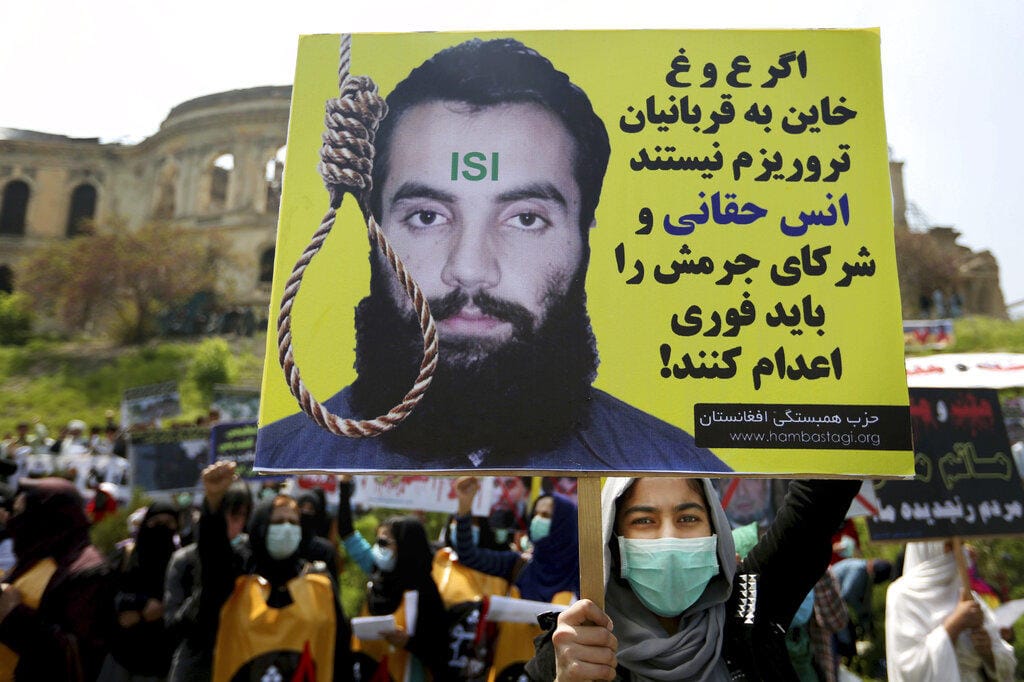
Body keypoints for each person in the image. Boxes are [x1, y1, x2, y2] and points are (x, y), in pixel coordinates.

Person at [257, 37, 729, 474]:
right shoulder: (282, 459)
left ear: (585, 234)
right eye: (427, 216)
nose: (469, 269)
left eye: (525, 219)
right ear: (375, 229)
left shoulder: (678, 464)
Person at [525, 477, 859, 681]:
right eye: (644, 521)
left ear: (716, 533)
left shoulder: (751, 604)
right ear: (615, 541)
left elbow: (820, 500)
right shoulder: (573, 646)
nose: (669, 539)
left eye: (688, 518)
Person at [192, 461, 351, 681]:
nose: (286, 528)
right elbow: (213, 558)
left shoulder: (319, 584)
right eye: (278, 521)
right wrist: (213, 503)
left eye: (293, 522)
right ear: (260, 527)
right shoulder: (237, 577)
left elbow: (340, 651)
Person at [0, 477, 115, 680]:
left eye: (20, 514)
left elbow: (77, 655)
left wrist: (14, 616)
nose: (12, 522)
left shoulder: (87, 570)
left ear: (45, 517)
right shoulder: (37, 557)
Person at [885, 541, 1015, 681]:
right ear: (928, 547)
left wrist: (988, 653)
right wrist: (955, 624)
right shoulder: (902, 596)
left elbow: (1005, 664)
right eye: (950, 545)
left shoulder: (968, 597)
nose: (959, 551)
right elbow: (910, 669)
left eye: (961, 544)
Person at [164, 476, 252, 682]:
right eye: (230, 515)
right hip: (198, 664)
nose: (236, 525)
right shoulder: (184, 560)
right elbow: (174, 625)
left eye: (242, 516)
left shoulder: (250, 556)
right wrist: (207, 586)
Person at [452, 476, 579, 602]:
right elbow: (468, 555)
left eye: (545, 515)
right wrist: (464, 506)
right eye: (535, 514)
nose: (536, 520)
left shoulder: (582, 573)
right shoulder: (521, 564)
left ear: (564, 524)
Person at [104, 501, 180, 681]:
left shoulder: (180, 561)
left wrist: (157, 610)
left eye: (169, 522)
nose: (162, 527)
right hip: (122, 653)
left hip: (162, 659)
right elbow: (107, 595)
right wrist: (140, 605)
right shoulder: (127, 555)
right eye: (155, 522)